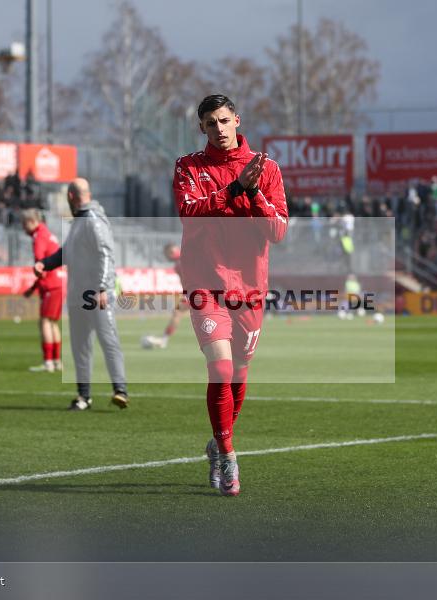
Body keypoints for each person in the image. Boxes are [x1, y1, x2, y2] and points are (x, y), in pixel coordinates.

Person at [173, 94, 288, 496]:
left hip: (250, 287)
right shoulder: (189, 167)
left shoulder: (266, 169)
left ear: (237, 120)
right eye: (210, 123)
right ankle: (227, 454)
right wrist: (234, 190)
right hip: (205, 283)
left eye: (224, 120)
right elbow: (190, 211)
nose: (218, 129)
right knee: (220, 369)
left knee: (239, 373)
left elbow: (277, 231)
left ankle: (218, 440)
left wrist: (252, 193)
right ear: (201, 128)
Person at [34, 178, 129, 411]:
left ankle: (120, 390)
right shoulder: (80, 222)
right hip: (78, 295)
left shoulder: (93, 220)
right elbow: (66, 253)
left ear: (70, 196)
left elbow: (105, 253)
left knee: (108, 341)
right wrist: (45, 264)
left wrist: (103, 288)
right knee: (80, 347)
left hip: (96, 295)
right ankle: (83, 397)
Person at [21, 209, 65, 373]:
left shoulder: (39, 237)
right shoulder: (49, 234)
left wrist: (33, 288)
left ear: (32, 221)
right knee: (52, 323)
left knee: (45, 322)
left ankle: (48, 362)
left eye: (24, 224)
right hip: (60, 282)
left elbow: (41, 265)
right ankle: (56, 361)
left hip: (51, 284)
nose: (23, 228)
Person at [141, 243, 188, 349]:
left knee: (178, 312)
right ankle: (164, 339)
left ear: (170, 252)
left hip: (194, 292)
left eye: (166, 254)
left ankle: (164, 340)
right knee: (179, 313)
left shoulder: (180, 261)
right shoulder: (181, 260)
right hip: (192, 292)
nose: (166, 257)